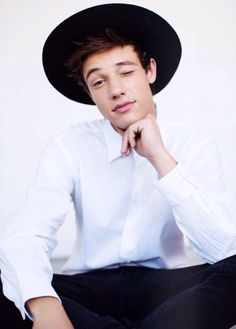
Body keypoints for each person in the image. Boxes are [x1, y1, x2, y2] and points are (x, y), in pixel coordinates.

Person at [0, 3, 236, 329]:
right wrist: (44, 306)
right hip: (89, 289)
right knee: (11, 281)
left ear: (149, 70)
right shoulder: (69, 146)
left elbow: (225, 249)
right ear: (88, 92)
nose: (116, 90)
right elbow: (27, 236)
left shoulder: (193, 142)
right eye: (98, 82)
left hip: (167, 290)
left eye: (126, 72)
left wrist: (160, 158)